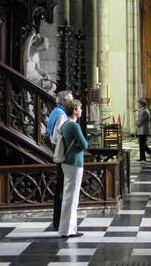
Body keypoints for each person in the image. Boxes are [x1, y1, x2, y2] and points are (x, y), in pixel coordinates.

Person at [58, 97, 88, 238]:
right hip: (74, 163)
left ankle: (68, 229)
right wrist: (79, 145)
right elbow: (84, 144)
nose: (81, 110)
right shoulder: (73, 125)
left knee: (69, 196)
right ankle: (68, 230)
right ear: (75, 111)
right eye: (80, 108)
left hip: (67, 162)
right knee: (72, 198)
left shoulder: (65, 124)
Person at [46, 90, 72, 231]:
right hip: (62, 154)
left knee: (61, 187)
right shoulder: (61, 115)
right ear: (63, 102)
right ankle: (59, 222)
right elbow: (57, 137)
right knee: (62, 188)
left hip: (58, 152)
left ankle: (58, 222)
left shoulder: (56, 111)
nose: (72, 103)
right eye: (70, 100)